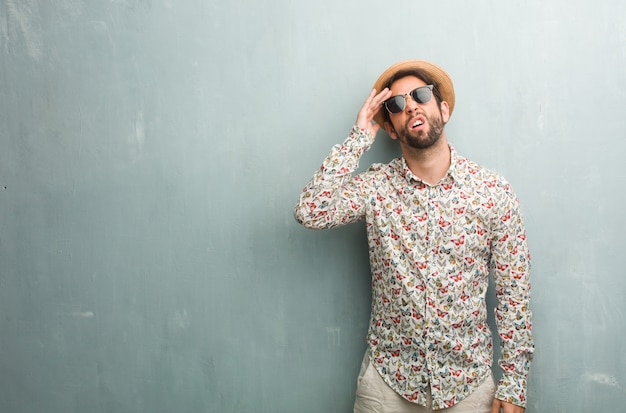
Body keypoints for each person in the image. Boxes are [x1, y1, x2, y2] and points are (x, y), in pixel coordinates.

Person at [293, 60, 534, 413]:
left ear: (443, 109)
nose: (411, 106)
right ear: (390, 127)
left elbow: (515, 293)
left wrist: (514, 385)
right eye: (396, 105)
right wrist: (360, 135)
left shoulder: (493, 192)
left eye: (420, 95)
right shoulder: (376, 187)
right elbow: (310, 210)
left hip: (467, 386)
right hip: (387, 386)